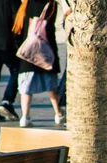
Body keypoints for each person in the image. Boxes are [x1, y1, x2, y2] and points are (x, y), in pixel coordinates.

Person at [12, 0, 64, 128]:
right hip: (44, 50)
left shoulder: (25, 4)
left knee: (26, 87)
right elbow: (49, 30)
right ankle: (58, 114)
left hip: (28, 50)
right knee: (51, 86)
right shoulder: (49, 4)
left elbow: (17, 30)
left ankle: (25, 117)